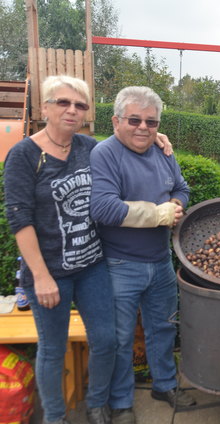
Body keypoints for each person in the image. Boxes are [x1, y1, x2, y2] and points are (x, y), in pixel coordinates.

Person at [3, 75, 116, 424]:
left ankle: (96, 403)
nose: (72, 110)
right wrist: (40, 277)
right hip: (48, 272)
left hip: (91, 266)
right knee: (52, 349)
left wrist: (158, 138)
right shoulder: (24, 154)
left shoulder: (89, 147)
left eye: (80, 105)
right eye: (64, 102)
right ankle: (55, 416)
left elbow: (125, 149)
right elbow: (20, 220)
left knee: (106, 339)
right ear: (45, 107)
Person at [89, 86, 192, 424]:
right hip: (120, 264)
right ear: (116, 120)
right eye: (135, 120)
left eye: (151, 121)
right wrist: (158, 215)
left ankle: (164, 384)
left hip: (161, 261)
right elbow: (103, 207)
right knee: (120, 339)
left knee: (163, 328)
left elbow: (181, 188)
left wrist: (176, 206)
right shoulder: (105, 154)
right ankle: (121, 401)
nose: (143, 128)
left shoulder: (163, 152)